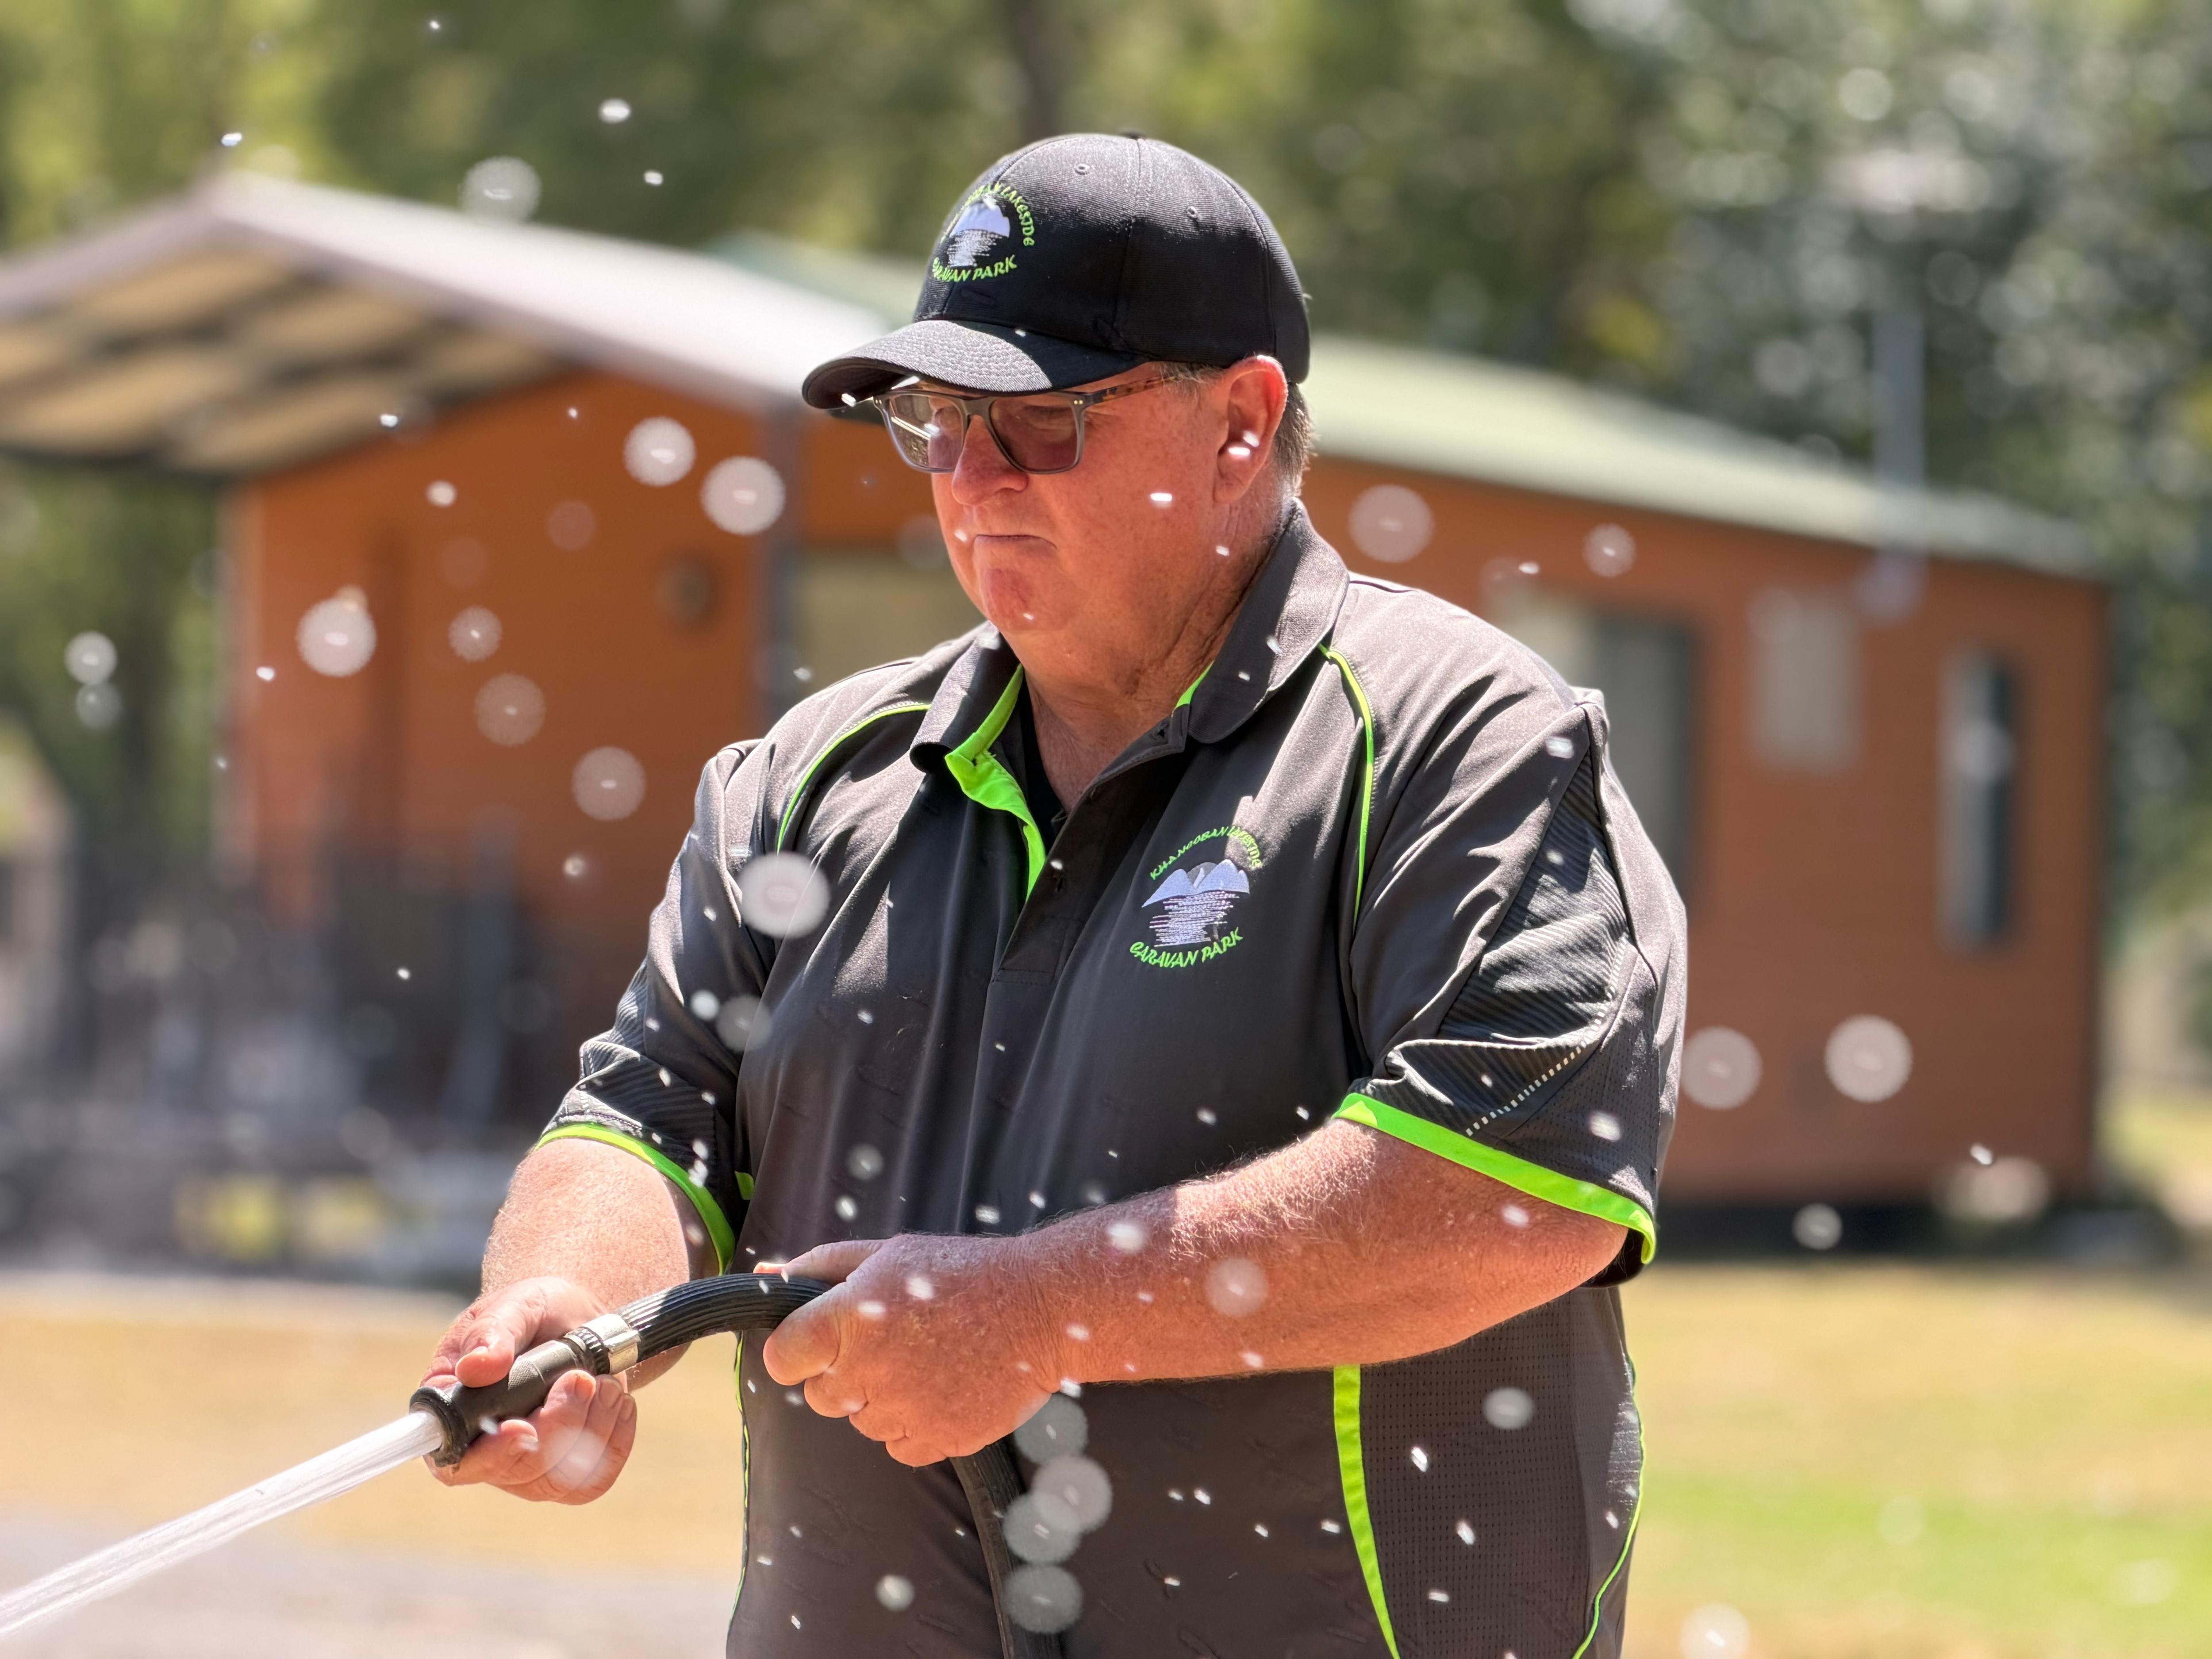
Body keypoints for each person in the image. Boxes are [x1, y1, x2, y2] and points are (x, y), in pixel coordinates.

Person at [421, 133, 1686, 1659]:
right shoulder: (807, 784)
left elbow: (1516, 1187)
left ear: (1242, 422)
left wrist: (1037, 1312)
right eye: (934, 423)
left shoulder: (1460, 740)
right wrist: (574, 1310)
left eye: (1036, 424)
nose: (969, 480)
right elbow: (646, 1117)